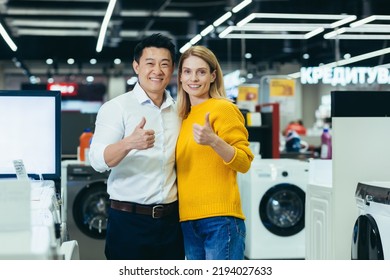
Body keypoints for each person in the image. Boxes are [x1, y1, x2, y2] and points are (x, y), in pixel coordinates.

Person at [88, 33, 184, 260]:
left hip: (172, 222)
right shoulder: (117, 108)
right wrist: (129, 143)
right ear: (136, 66)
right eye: (150, 63)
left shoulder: (179, 110)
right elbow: (97, 161)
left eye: (164, 64)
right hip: (129, 222)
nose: (157, 71)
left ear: (172, 69)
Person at [175, 45, 254, 260]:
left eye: (201, 72)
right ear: (180, 77)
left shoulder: (224, 109)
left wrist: (214, 141)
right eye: (187, 71)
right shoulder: (183, 117)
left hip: (220, 220)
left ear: (212, 76)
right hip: (188, 220)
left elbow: (244, 162)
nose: (194, 78)